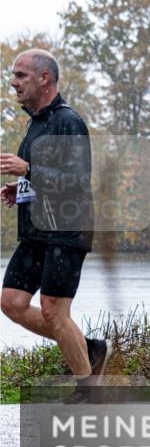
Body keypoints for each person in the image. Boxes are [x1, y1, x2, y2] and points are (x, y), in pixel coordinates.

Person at [1, 49, 109, 403]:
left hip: (68, 230)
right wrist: (23, 190)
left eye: (20, 75)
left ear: (44, 78)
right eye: (13, 75)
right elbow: (51, 178)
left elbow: (77, 181)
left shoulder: (68, 121)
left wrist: (28, 170)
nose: (13, 82)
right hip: (37, 230)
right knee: (12, 302)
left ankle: (88, 389)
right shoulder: (37, 121)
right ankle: (88, 347)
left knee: (53, 311)